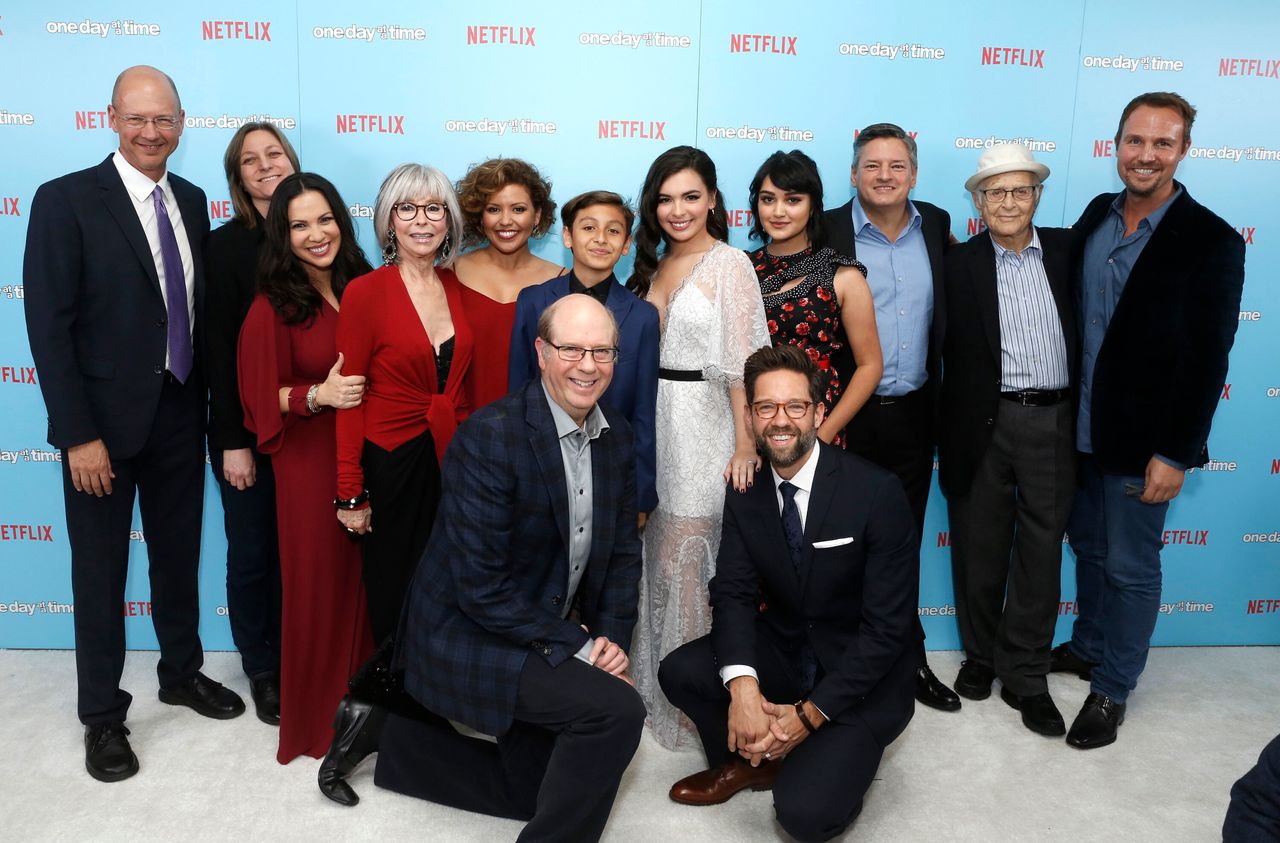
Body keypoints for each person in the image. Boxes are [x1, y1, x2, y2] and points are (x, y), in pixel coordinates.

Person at [321, 295, 646, 843]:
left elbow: (620, 558)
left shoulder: (618, 440)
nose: (587, 366)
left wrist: (611, 639)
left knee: (544, 790)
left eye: (602, 352)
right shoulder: (491, 437)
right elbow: (480, 589)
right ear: (541, 352)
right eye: (571, 349)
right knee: (614, 712)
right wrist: (579, 647)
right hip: (467, 630)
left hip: (534, 619)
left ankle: (394, 741)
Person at [23, 65, 243, 783]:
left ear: (182, 124)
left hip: (181, 411)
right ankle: (102, 716)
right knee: (100, 573)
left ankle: (181, 672)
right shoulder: (65, 200)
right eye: (138, 118)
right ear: (112, 117)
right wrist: (77, 433)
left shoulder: (190, 196)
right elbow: (48, 327)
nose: (152, 132)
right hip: (100, 431)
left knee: (178, 558)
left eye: (165, 120)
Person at [659, 344, 918, 842]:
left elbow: (888, 631)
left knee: (803, 815)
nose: (781, 421)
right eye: (766, 407)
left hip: (860, 677)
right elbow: (732, 593)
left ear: (819, 413)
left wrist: (810, 714)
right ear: (750, 416)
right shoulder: (745, 489)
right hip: (787, 649)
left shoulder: (875, 492)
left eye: (795, 407)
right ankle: (754, 761)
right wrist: (744, 689)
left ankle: (823, 758)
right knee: (681, 670)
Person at [1052, 92, 1245, 749]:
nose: (1146, 154)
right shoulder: (1094, 218)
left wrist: (1176, 450)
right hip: (1080, 432)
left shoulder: (1212, 239)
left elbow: (1207, 358)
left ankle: (1113, 687)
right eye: (1135, 140)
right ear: (1116, 144)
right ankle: (1087, 644)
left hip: (1145, 445)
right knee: (1088, 547)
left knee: (1132, 565)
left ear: (1183, 150)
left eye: (1163, 143)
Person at [627, 145, 771, 749]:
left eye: (691, 196)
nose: (677, 209)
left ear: (713, 199)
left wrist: (745, 444)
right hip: (651, 422)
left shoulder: (729, 263)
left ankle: (702, 709)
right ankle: (653, 691)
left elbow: (745, 363)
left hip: (706, 426)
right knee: (654, 556)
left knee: (690, 561)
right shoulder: (653, 264)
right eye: (664, 199)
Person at [939, 144, 1078, 737]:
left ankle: (1025, 675)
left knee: (1042, 552)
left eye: (1020, 190)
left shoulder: (1070, 252)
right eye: (994, 192)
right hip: (981, 421)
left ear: (1038, 197)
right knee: (978, 543)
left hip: (1052, 420)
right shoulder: (957, 264)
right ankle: (980, 656)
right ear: (976, 201)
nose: (1008, 202)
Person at [237, 173, 375, 764]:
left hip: (372, 455)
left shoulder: (366, 285)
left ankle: (368, 709)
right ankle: (319, 719)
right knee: (319, 586)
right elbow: (254, 397)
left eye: (324, 219)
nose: (316, 234)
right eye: (299, 225)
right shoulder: (273, 305)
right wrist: (316, 396)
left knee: (369, 585)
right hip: (310, 460)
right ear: (281, 234)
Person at [823, 122, 958, 713]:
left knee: (898, 546)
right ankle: (830, 663)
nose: (884, 176)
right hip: (842, 416)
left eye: (896, 165)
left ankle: (909, 658)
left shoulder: (938, 225)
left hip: (913, 416)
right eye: (871, 165)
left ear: (914, 174)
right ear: (853, 174)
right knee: (831, 543)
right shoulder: (824, 228)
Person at [333, 163, 474, 647]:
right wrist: (351, 494)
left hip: (447, 459)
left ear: (448, 220)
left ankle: (439, 698)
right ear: (389, 221)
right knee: (395, 588)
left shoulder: (455, 286)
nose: (422, 220)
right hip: (390, 461)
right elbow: (349, 398)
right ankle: (399, 705)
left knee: (445, 585)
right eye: (407, 208)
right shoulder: (365, 293)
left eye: (434, 208)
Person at [204, 121, 301, 724]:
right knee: (255, 553)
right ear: (238, 177)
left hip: (313, 431)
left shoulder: (325, 238)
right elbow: (216, 352)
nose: (265, 165)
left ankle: (307, 656)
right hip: (249, 434)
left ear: (293, 161)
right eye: (250, 160)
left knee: (310, 553)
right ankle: (263, 668)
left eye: (275, 154)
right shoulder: (224, 247)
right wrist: (233, 442)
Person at [508, 190, 661, 517]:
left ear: (626, 244)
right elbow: (517, 391)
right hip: (542, 464)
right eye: (589, 228)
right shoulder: (533, 302)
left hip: (612, 472)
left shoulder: (643, 317)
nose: (601, 239)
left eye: (613, 230)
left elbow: (644, 412)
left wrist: (642, 495)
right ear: (567, 236)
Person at [746, 150, 882, 446]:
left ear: (813, 206)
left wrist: (825, 432)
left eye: (792, 200)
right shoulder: (738, 268)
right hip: (751, 422)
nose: (778, 211)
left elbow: (870, 365)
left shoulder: (843, 275)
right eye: (768, 199)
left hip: (815, 421)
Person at [453, 158, 566, 409]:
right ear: (480, 217)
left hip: (535, 425)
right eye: (494, 209)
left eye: (518, 209)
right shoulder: (450, 273)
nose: (506, 220)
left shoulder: (563, 283)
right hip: (462, 424)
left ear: (537, 215)